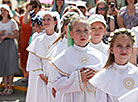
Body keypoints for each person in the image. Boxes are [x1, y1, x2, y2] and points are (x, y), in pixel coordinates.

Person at [48, 16, 106, 102]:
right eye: (78, 31)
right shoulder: (63, 57)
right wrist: (78, 77)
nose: (82, 34)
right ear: (71, 34)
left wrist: (96, 77)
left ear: (90, 32)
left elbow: (106, 80)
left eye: (85, 30)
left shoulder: (99, 56)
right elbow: (56, 84)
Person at [89, 28, 138, 102]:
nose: (124, 49)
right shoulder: (104, 76)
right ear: (111, 49)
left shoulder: (136, 72)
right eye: (119, 46)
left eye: (128, 46)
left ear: (132, 49)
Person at [26, 11, 60, 102]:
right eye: (44, 19)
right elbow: (34, 60)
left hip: (55, 75)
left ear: (55, 22)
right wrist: (42, 75)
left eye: (49, 19)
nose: (46, 21)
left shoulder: (60, 39)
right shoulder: (38, 39)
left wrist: (54, 76)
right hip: (41, 76)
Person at [0, 4, 19, 95]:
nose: (2, 12)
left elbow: (16, 35)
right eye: (1, 10)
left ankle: (10, 87)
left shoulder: (12, 22)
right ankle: (5, 87)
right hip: (2, 45)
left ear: (8, 12)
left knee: (10, 65)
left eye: (4, 10)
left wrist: (7, 35)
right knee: (3, 66)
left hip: (10, 44)